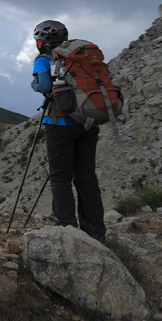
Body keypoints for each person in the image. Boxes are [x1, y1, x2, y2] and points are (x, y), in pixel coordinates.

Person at [31, 20, 106, 242]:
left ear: (42, 41)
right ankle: (96, 232)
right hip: (89, 123)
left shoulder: (44, 60)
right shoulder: (81, 57)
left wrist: (34, 85)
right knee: (87, 178)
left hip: (59, 124)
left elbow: (44, 87)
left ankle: (66, 228)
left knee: (60, 177)